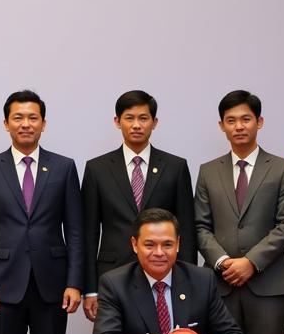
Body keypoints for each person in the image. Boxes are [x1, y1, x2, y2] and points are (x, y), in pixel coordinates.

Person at [0, 89, 83, 334]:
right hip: (4, 285)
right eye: (18, 117)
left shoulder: (64, 167)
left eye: (33, 118)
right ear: (6, 123)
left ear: (43, 124)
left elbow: (76, 229)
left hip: (53, 283)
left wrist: (75, 283)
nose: (25, 124)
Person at [195, 89, 284, 334]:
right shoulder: (208, 170)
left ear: (259, 122)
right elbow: (200, 226)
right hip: (221, 285)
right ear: (222, 126)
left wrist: (250, 262)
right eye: (231, 121)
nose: (239, 126)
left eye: (246, 119)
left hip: (269, 286)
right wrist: (223, 262)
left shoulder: (281, 168)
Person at [81, 90, 197, 321]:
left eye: (143, 118)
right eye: (129, 118)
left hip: (164, 272)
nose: (136, 125)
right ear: (117, 121)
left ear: (154, 122)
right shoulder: (97, 168)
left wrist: (187, 281)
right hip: (112, 273)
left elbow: (186, 229)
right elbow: (88, 233)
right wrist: (90, 288)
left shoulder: (175, 167)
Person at [92, 208, 247, 334]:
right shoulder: (114, 283)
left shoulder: (202, 280)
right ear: (134, 244)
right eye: (149, 245)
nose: (159, 253)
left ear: (178, 244)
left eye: (167, 244)